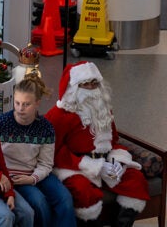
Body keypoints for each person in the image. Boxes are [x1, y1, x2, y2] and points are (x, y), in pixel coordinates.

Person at [45, 62, 148, 226]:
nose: (91, 88)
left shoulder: (104, 109)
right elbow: (52, 151)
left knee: (135, 179)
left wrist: (117, 162)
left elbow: (113, 141)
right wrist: (94, 166)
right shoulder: (59, 115)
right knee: (82, 190)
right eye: (86, 84)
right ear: (74, 87)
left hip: (106, 162)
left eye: (95, 83)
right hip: (75, 166)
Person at [0, 72, 76, 227]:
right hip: (13, 176)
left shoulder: (45, 128)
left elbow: (45, 164)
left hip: (36, 174)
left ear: (37, 103)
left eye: (26, 104)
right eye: (17, 103)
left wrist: (33, 179)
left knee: (65, 198)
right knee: (39, 202)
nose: (20, 109)